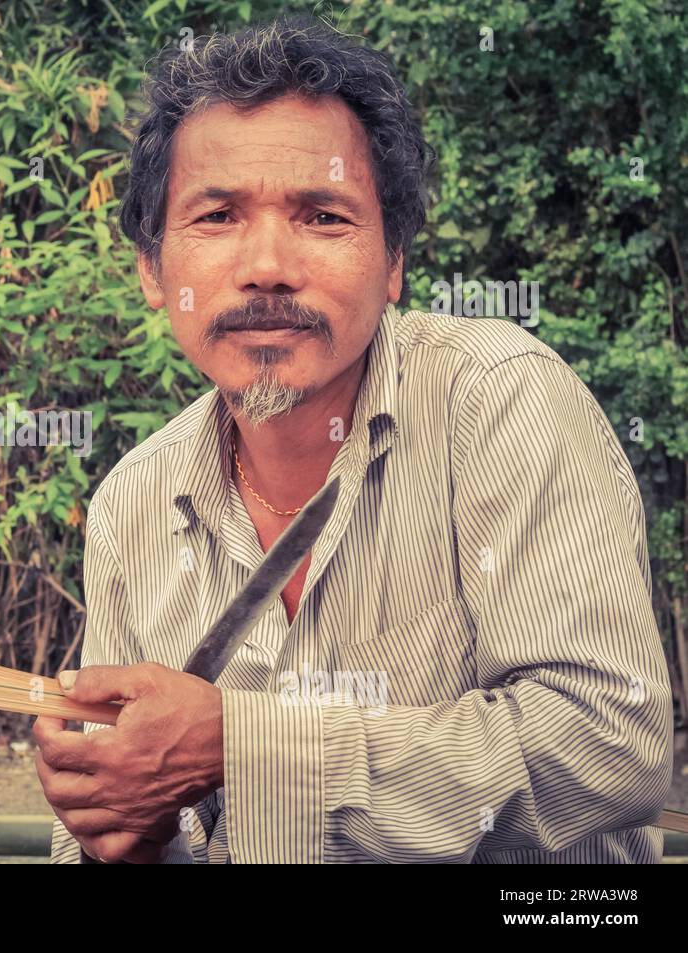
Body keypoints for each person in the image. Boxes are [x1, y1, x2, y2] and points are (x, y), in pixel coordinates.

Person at [33, 17, 673, 864]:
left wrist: (241, 748)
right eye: (217, 215)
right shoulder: (133, 505)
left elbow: (608, 741)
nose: (267, 265)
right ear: (154, 268)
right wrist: (129, 824)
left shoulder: (497, 401)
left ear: (393, 258)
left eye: (323, 216)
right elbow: (138, 832)